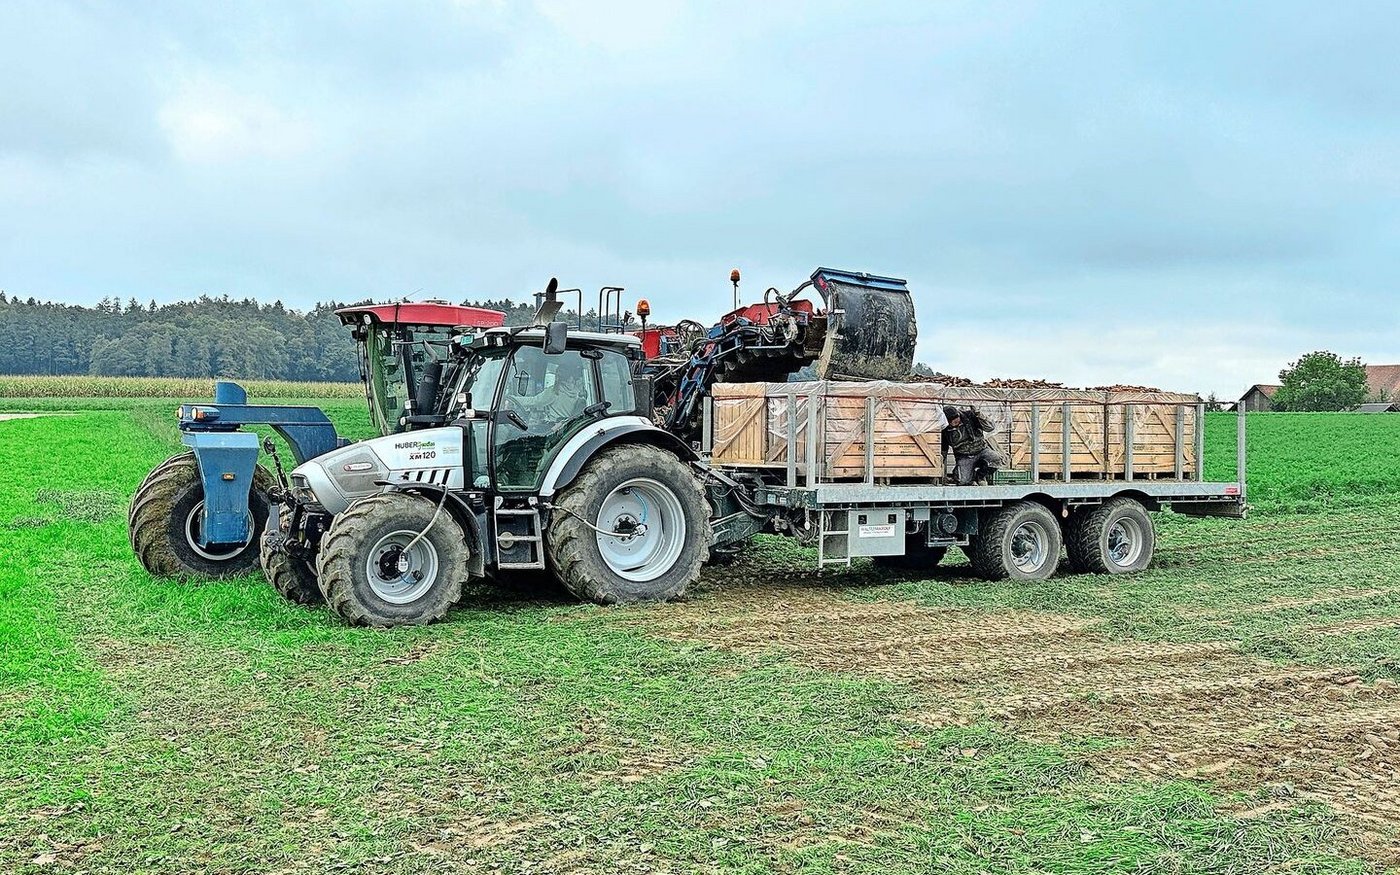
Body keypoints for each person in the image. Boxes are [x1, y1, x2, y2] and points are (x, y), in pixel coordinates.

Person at [942, 405, 1004, 485]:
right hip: (964, 456)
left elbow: (990, 428)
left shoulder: (969, 416)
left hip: (981, 450)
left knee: (996, 459)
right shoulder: (945, 430)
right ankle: (967, 475)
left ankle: (980, 475)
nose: (956, 420)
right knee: (963, 481)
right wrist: (941, 467)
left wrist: (979, 415)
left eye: (957, 417)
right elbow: (944, 449)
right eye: (952, 420)